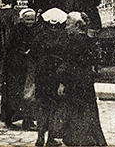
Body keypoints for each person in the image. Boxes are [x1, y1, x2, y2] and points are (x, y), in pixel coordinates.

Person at [59, 12, 106, 146]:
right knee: (88, 111)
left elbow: (67, 65)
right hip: (86, 81)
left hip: (73, 82)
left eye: (68, 25)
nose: (66, 28)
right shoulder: (89, 41)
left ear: (78, 26)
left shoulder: (71, 42)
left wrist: (62, 83)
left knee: (75, 112)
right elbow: (96, 59)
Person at [32, 8, 69, 147]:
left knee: (42, 106)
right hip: (57, 75)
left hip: (42, 74)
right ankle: (51, 138)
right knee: (56, 106)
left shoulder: (40, 35)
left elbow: (34, 54)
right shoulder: (65, 37)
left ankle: (40, 136)